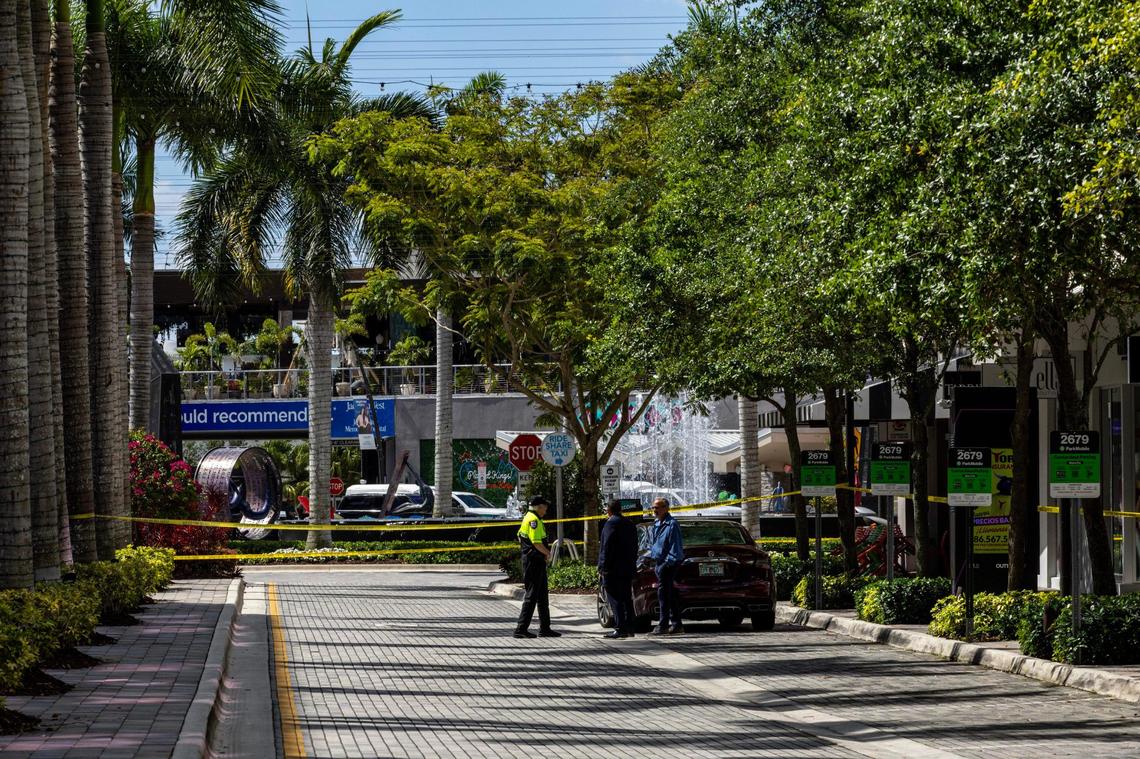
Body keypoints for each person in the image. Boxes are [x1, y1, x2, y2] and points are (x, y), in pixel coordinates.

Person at [513, 495, 561, 639]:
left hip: (536, 561)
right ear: (539, 507)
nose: (546, 509)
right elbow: (536, 543)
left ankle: (545, 628)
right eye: (544, 506)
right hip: (533, 562)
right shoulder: (533, 520)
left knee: (542, 596)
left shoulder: (530, 518)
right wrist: (548, 554)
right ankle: (520, 629)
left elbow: (520, 536)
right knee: (531, 596)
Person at [598, 499, 639, 639]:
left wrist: (603, 567)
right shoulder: (629, 524)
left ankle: (620, 628)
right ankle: (630, 628)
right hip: (627, 568)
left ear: (609, 510)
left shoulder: (610, 524)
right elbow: (635, 547)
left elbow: (606, 547)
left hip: (613, 569)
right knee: (627, 598)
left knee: (614, 598)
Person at [648, 497, 684, 634]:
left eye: (658, 507)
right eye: (653, 507)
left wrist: (667, 564)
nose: (655, 510)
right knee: (670, 594)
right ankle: (677, 624)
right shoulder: (656, 524)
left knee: (663, 594)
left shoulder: (672, 524)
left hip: (668, 564)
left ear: (666, 508)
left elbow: (675, 547)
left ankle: (663, 625)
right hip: (659, 563)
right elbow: (654, 545)